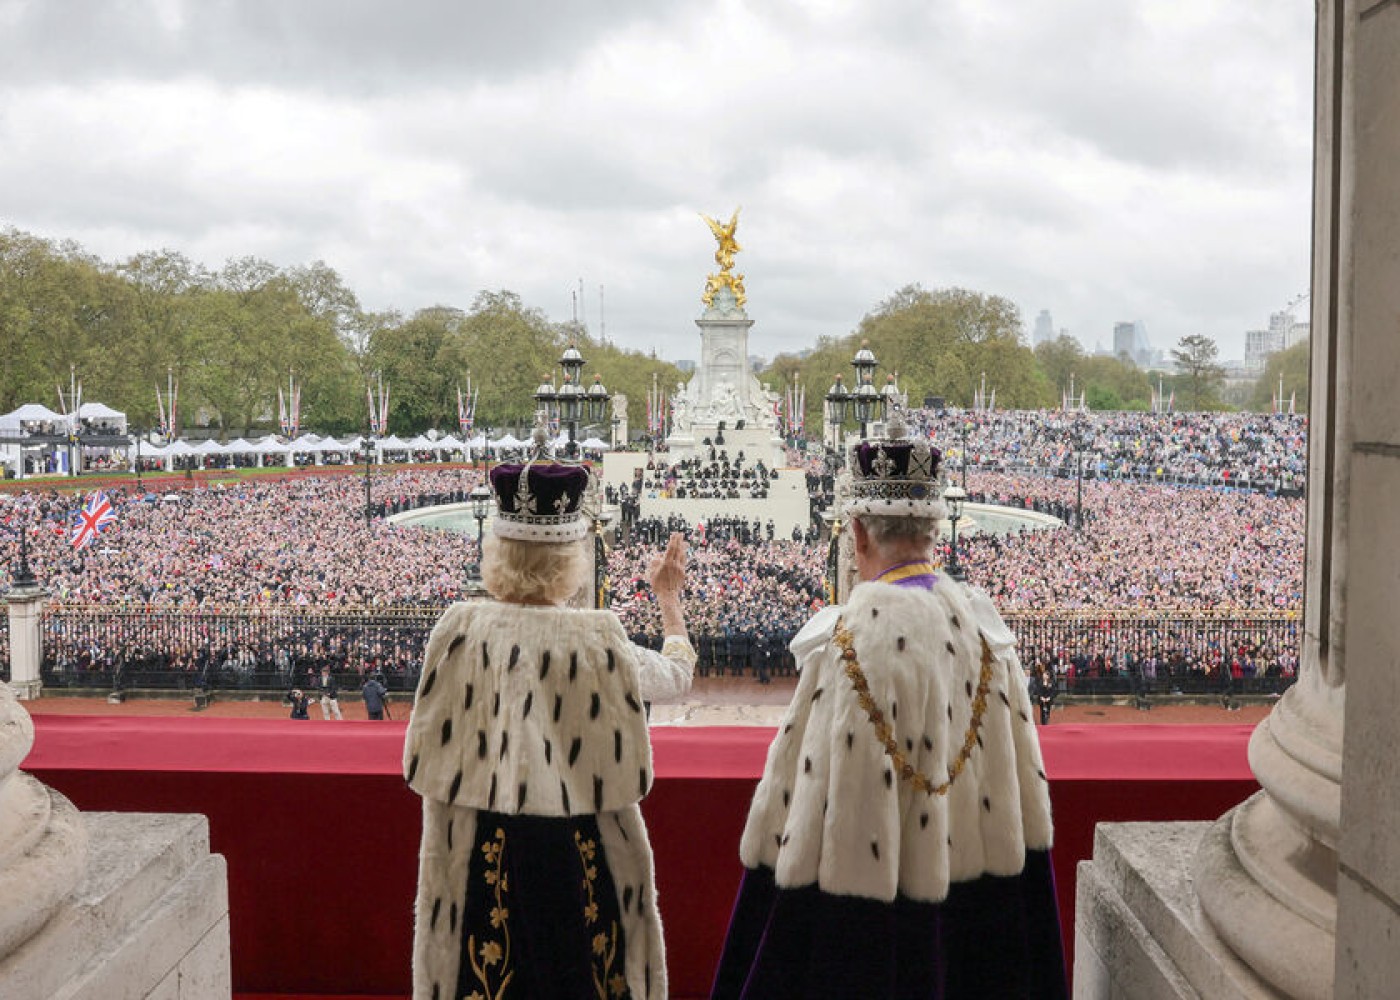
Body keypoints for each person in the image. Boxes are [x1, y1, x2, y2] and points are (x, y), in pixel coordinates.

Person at [711, 417, 1065, 999]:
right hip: (979, 912)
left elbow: (806, 811)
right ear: (934, 530)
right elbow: (1025, 801)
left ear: (858, 535)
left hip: (868, 921)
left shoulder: (847, 642)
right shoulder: (986, 634)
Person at [402, 450, 696, 1000]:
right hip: (577, 846)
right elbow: (677, 675)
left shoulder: (456, 630)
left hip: (477, 846)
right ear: (571, 558)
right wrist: (669, 600)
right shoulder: (597, 639)